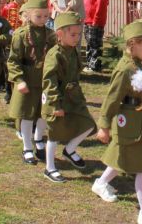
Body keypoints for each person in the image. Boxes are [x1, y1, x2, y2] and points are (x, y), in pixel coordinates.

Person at [94, 19, 142, 224]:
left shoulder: (140, 64)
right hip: (128, 123)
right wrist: (104, 126)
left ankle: (100, 183)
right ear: (133, 44)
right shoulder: (125, 69)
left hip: (141, 122)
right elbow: (112, 99)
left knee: (123, 158)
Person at [41, 12, 97, 183]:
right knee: (54, 134)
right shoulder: (55, 54)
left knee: (88, 124)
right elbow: (49, 80)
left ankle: (70, 149)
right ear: (60, 34)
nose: (77, 38)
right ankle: (50, 168)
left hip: (73, 97)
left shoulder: (72, 50)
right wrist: (55, 104)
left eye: (79, 34)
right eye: (73, 34)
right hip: (56, 98)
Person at [7, 0, 56, 165]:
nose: (43, 19)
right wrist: (19, 79)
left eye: (46, 15)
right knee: (26, 115)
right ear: (28, 15)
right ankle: (27, 146)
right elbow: (13, 60)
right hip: (27, 79)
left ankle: (38, 139)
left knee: (43, 113)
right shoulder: (21, 35)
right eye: (38, 16)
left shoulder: (51, 35)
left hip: (44, 80)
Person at [83, 0, 112, 73]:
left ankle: (95, 65)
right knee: (90, 42)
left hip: (95, 21)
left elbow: (101, 5)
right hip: (88, 19)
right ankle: (90, 63)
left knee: (95, 43)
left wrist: (96, 20)